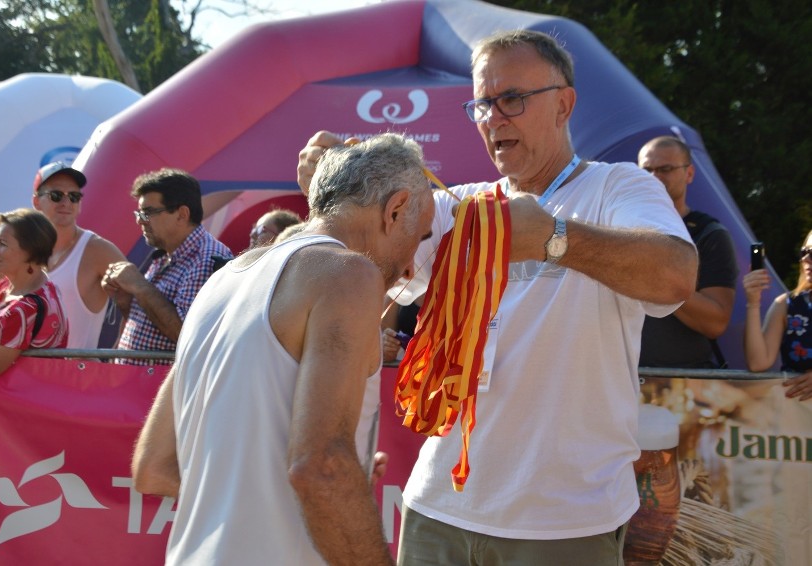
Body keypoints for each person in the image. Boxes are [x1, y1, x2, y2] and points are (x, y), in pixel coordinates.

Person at [297, 30, 697, 566]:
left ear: (564, 104)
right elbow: (364, 251)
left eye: (511, 99)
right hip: (439, 505)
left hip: (566, 520)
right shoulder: (457, 206)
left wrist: (555, 239)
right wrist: (336, 186)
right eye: (481, 104)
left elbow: (676, 276)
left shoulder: (618, 188)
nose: (493, 118)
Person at [131, 133, 435, 565]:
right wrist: (334, 479)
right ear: (396, 209)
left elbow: (154, 467)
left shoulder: (223, 278)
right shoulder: (350, 272)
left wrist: (343, 475)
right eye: (421, 238)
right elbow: (321, 468)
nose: (411, 267)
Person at [103, 168, 232, 365]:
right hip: (139, 387)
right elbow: (151, 323)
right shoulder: (167, 253)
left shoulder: (206, 258)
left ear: (182, 214)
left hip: (159, 391)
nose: (139, 220)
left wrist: (139, 285)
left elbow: (187, 336)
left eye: (148, 213)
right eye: (138, 213)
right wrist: (126, 301)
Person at [637, 136, 738, 368]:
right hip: (618, 380)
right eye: (647, 170)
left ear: (689, 173)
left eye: (666, 169)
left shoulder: (709, 234)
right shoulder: (615, 228)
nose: (655, 177)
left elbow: (716, 322)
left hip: (682, 389)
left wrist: (657, 278)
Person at [0, 208, 68, 383]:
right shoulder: (10, 284)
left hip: (12, 407)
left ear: (31, 251)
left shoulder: (22, 310)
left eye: (2, 243)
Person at [32, 161, 127, 349]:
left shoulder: (97, 249)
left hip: (77, 375)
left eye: (74, 196)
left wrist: (119, 353)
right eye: (56, 195)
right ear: (36, 202)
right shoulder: (27, 249)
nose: (66, 203)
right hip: (29, 374)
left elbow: (140, 302)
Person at [743, 230, 812, 401]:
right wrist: (753, 302)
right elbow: (758, 363)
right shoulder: (787, 304)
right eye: (804, 252)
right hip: (796, 418)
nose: (805, 259)